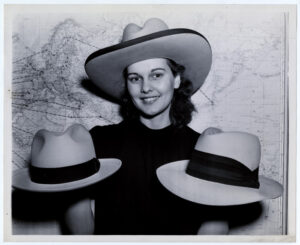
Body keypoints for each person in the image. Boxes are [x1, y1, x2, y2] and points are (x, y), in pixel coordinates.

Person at [63, 18, 233, 235]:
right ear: (127, 85)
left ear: (176, 79)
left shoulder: (202, 148)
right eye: (135, 78)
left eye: (156, 75)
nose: (145, 88)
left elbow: (216, 225)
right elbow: (79, 223)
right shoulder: (98, 140)